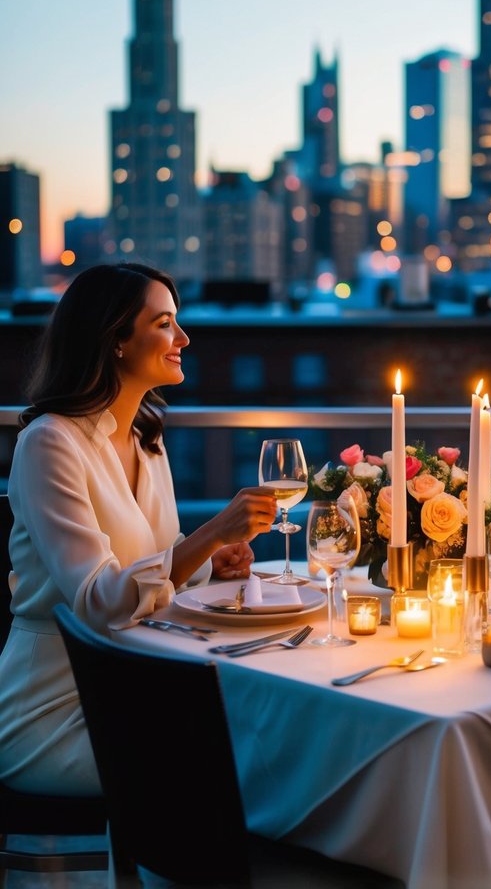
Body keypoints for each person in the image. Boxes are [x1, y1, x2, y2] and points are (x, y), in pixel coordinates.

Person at [0, 262, 278, 796]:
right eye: (164, 323)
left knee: (267, 737)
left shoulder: (147, 440)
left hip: (134, 688)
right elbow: (99, 600)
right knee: (242, 763)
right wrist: (210, 536)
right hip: (55, 711)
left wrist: (205, 561)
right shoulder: (50, 443)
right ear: (116, 340)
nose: (184, 338)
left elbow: (155, 559)